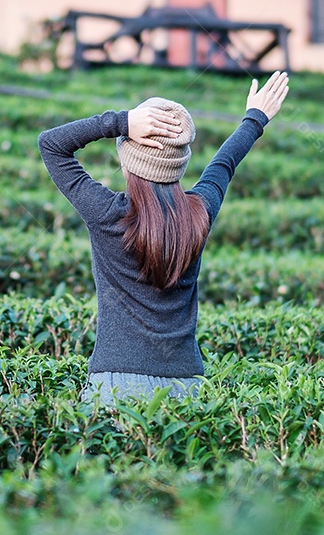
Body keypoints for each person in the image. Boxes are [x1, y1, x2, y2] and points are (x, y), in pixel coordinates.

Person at [37, 72, 290, 405]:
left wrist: (122, 122)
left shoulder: (108, 214)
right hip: (187, 385)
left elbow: (51, 145)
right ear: (179, 164)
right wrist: (255, 118)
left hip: (116, 383)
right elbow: (224, 164)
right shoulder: (200, 212)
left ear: (127, 159)